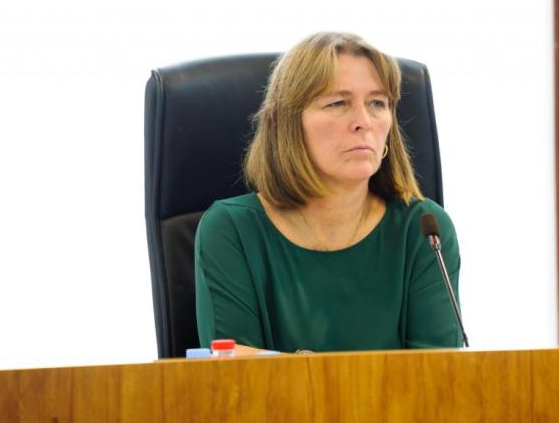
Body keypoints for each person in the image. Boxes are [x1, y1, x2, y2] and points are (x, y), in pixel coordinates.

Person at [195, 32, 462, 353]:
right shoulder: (230, 230)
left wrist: (297, 368)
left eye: (377, 103)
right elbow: (236, 376)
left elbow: (438, 376)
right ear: (286, 124)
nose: (364, 121)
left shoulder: (424, 231)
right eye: (337, 103)